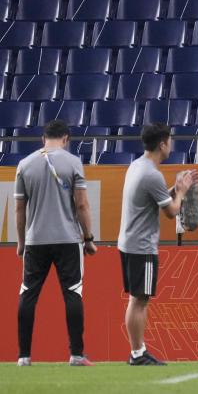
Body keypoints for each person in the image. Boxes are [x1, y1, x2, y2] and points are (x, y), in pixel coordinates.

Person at [15, 120, 96, 367]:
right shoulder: (72, 162)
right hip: (67, 240)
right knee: (72, 293)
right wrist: (89, 238)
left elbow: (19, 208)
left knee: (28, 294)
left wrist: (21, 243)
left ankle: (24, 357)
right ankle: (75, 355)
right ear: (65, 139)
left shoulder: (24, 164)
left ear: (43, 139)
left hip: (35, 240)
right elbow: (81, 205)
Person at [118, 123, 198, 365]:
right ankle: (137, 353)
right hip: (141, 245)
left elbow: (156, 197)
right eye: (170, 141)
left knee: (137, 298)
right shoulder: (152, 173)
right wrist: (182, 192)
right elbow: (171, 212)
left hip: (129, 241)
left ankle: (137, 352)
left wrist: (174, 188)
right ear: (162, 144)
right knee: (140, 300)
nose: (171, 145)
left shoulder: (137, 166)